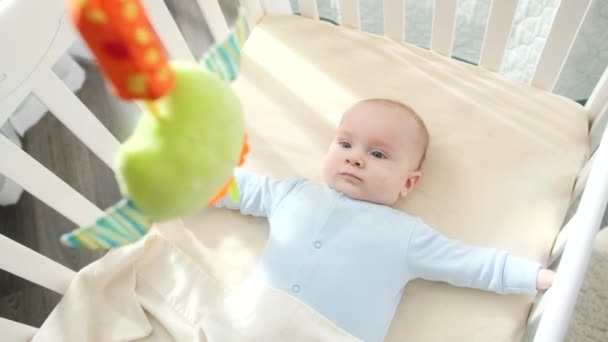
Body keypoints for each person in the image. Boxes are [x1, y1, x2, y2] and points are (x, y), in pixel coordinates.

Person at [216, 98, 555, 342]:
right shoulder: (292, 193)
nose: (355, 158)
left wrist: (533, 276)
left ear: (408, 182)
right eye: (346, 143)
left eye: (378, 154)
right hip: (248, 324)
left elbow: (469, 262)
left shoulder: (406, 236)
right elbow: (234, 188)